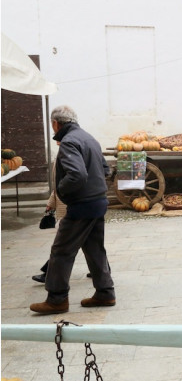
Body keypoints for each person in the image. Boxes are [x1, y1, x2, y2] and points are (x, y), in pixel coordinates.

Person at [30, 105, 116, 314]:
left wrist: (61, 190)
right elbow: (105, 169)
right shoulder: (89, 138)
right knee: (95, 249)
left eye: (52, 125)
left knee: (61, 251)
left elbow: (77, 175)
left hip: (82, 205)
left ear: (56, 123)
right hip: (98, 202)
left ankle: (57, 299)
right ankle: (105, 293)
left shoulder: (69, 141)